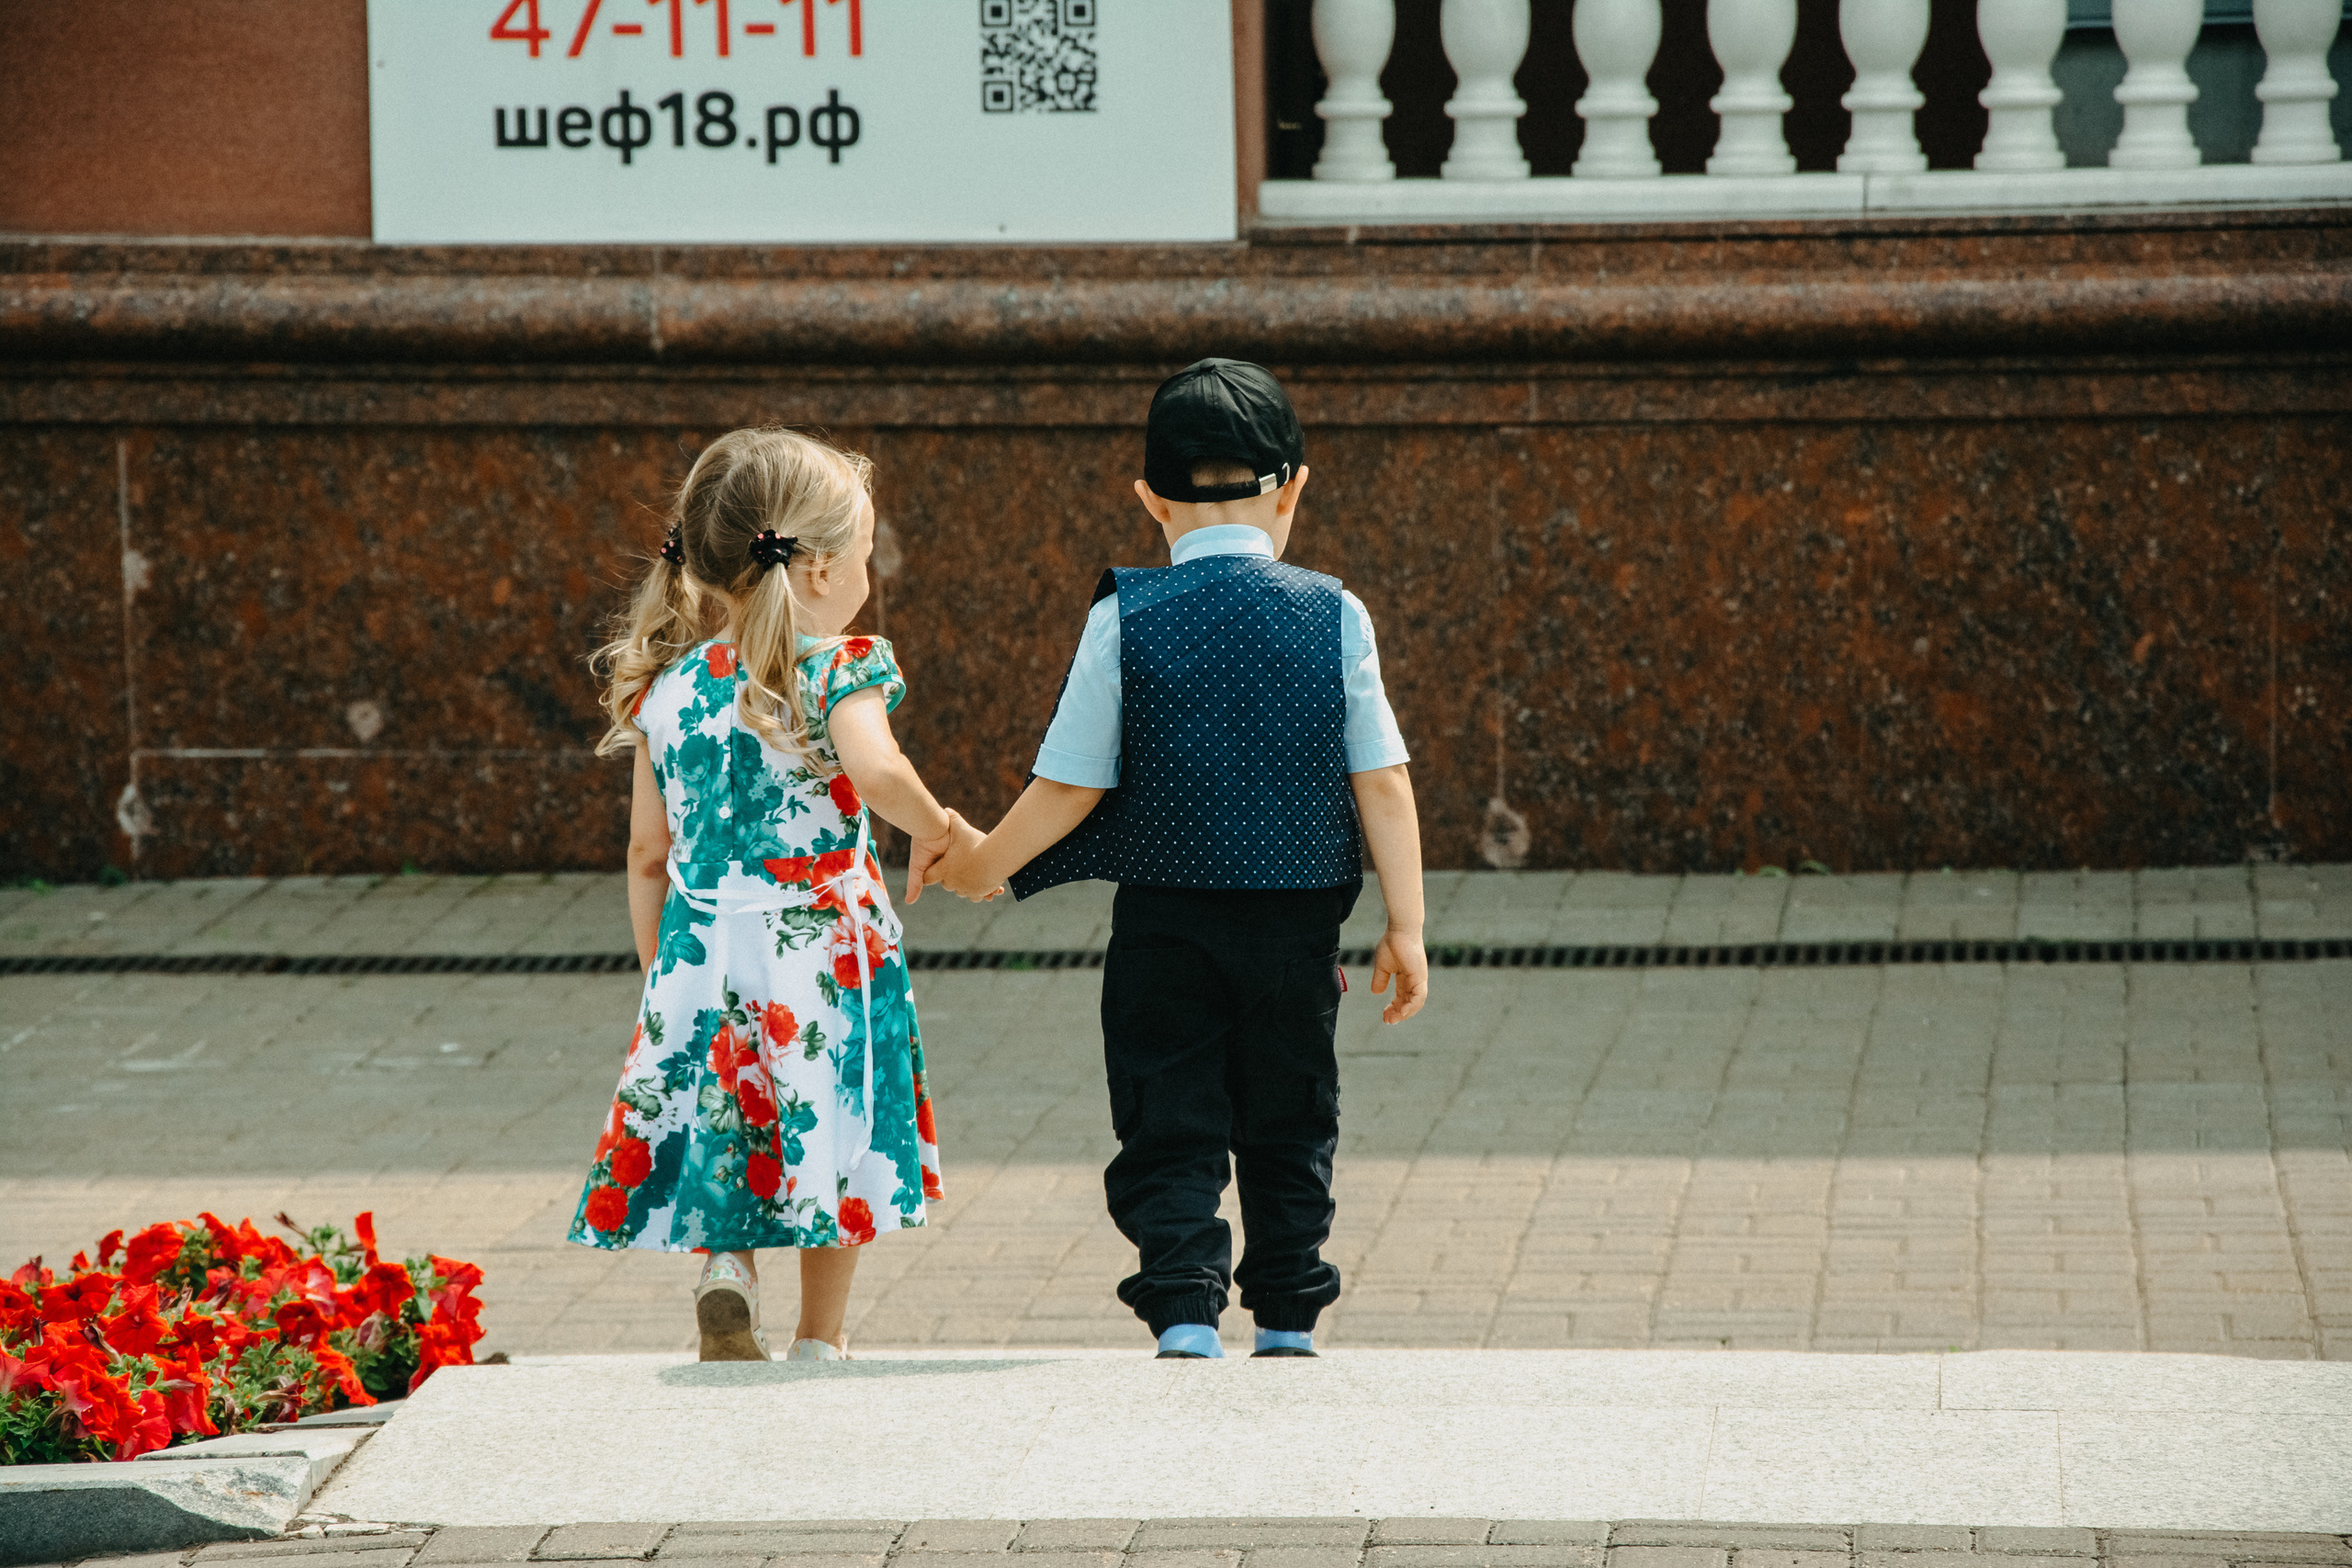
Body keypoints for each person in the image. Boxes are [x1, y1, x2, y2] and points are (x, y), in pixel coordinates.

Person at [928, 358, 1430, 1359]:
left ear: (1148, 498)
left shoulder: (1125, 614)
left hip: (1163, 928)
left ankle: (1184, 1311)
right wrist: (1407, 927)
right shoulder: (1334, 611)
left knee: (1169, 1114)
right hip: (1297, 928)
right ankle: (1288, 1313)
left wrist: (984, 865)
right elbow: (1382, 779)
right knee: (1292, 1117)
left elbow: (1069, 785)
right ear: (1292, 487)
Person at [568, 426, 981, 1362]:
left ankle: (726, 1265)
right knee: (827, 1117)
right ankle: (819, 1338)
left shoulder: (669, 686)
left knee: (732, 1111)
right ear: (825, 569)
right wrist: (938, 825)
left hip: (701, 947)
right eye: (867, 556)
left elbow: (645, 854)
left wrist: (660, 974)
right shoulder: (835, 665)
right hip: (822, 948)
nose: (870, 575)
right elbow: (876, 771)